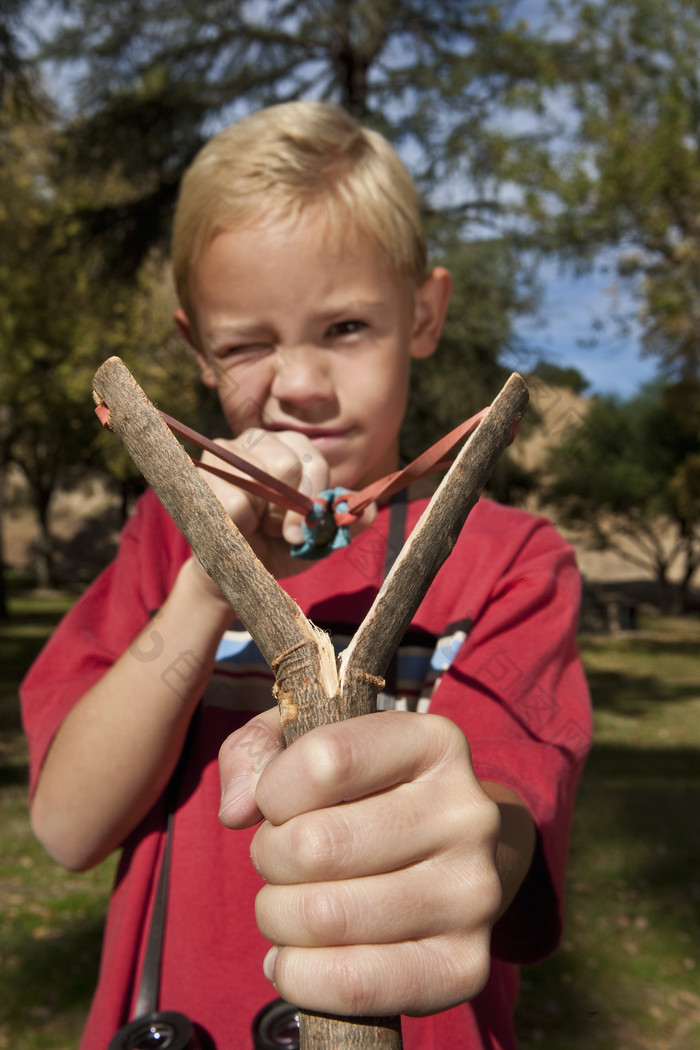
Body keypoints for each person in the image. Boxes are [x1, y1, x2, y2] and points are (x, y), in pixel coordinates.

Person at [21, 100, 591, 1050]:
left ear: (426, 313)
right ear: (199, 351)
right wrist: (208, 584)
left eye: (347, 326)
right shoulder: (163, 548)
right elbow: (69, 828)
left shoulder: (511, 562)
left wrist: (470, 842)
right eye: (248, 343)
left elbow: (505, 822)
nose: (298, 385)